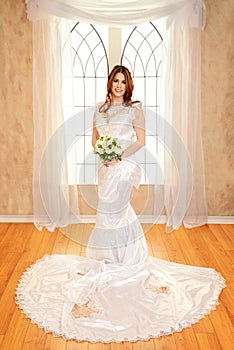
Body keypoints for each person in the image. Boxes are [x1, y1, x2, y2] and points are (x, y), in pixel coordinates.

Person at [16, 65, 225, 343]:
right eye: (115, 81)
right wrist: (103, 152)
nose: (118, 85)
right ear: (109, 83)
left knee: (116, 208)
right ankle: (112, 256)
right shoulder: (99, 110)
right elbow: (94, 138)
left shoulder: (134, 109)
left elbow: (141, 140)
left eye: (123, 82)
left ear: (128, 85)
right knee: (106, 210)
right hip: (105, 167)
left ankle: (126, 260)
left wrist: (119, 156)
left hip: (125, 167)